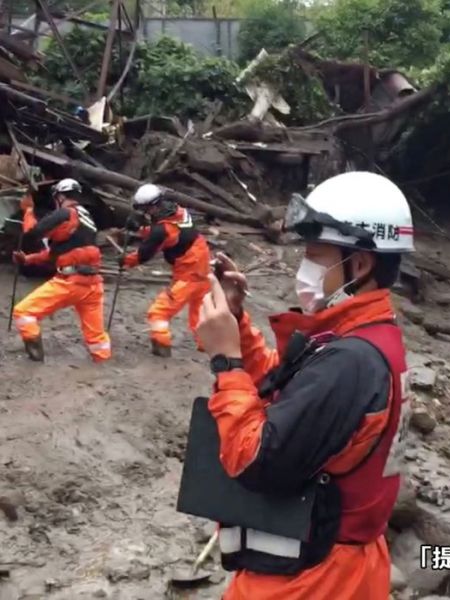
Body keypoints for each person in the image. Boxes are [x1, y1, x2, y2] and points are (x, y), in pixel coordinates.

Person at [194, 171, 413, 600]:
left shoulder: (351, 363)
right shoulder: (362, 340)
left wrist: (226, 362)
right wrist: (238, 326)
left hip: (312, 580)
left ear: (361, 264)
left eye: (315, 255)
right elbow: (291, 391)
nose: (304, 269)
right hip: (333, 564)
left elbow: (255, 460)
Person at [12, 178, 111, 362]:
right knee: (97, 339)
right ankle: (103, 362)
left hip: (69, 282)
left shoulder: (65, 213)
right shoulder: (86, 218)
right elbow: (58, 252)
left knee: (23, 312)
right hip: (93, 285)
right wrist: (28, 259)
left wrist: (28, 211)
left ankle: (36, 358)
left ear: (60, 196)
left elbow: (32, 233)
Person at [121, 184, 210, 357]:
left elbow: (144, 255)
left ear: (151, 207)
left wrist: (124, 261)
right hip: (204, 269)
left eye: (144, 210)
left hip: (188, 275)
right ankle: (208, 345)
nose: (144, 214)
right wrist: (141, 231)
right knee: (198, 312)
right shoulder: (179, 211)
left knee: (159, 312)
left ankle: (162, 346)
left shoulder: (161, 229)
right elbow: (167, 233)